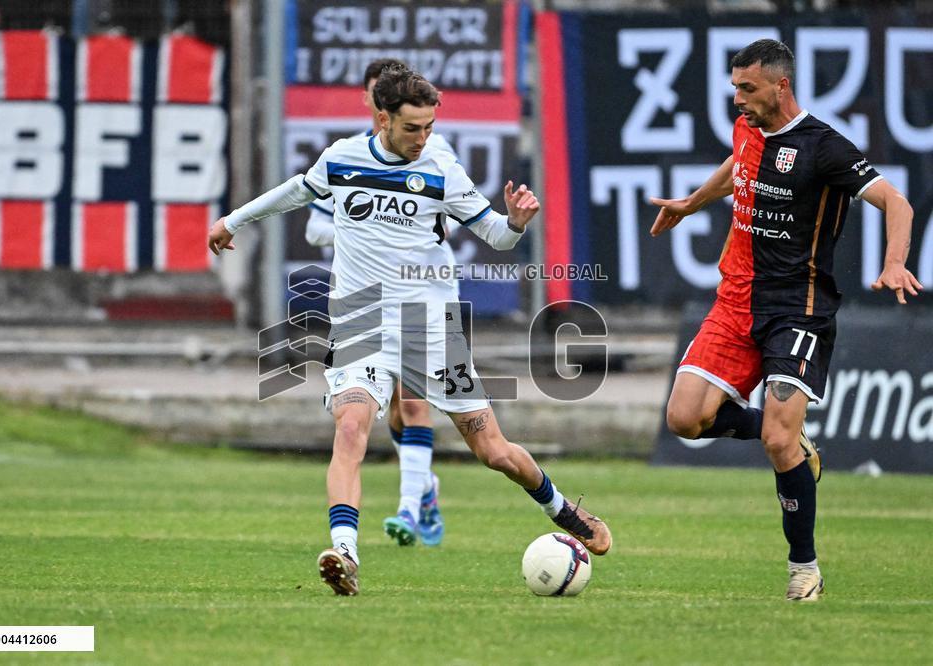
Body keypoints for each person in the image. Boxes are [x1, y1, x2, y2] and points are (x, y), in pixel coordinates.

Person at [209, 65, 612, 596]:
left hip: (430, 329)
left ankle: (560, 508)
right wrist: (232, 221)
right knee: (351, 428)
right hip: (359, 321)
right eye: (412, 128)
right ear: (382, 119)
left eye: (429, 126)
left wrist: (516, 221)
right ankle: (345, 553)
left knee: (493, 451)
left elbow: (495, 237)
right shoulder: (343, 158)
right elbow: (295, 192)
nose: (424, 138)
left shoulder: (442, 166)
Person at [650, 39, 922, 601]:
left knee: (777, 440)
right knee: (684, 419)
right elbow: (739, 167)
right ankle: (802, 443)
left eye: (746, 89)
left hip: (797, 310)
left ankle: (805, 569)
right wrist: (692, 202)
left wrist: (894, 262)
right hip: (734, 302)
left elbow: (898, 203)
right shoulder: (750, 127)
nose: (738, 100)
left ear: (781, 86)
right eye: (734, 89)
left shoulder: (823, 147)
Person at [304, 58, 459, 550]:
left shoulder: (433, 151)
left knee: (412, 401)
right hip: (366, 301)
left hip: (425, 293)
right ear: (371, 104)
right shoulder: (347, 158)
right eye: (374, 96)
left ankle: (409, 510)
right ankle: (425, 487)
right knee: (378, 412)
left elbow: (455, 218)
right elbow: (313, 226)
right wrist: (358, 228)